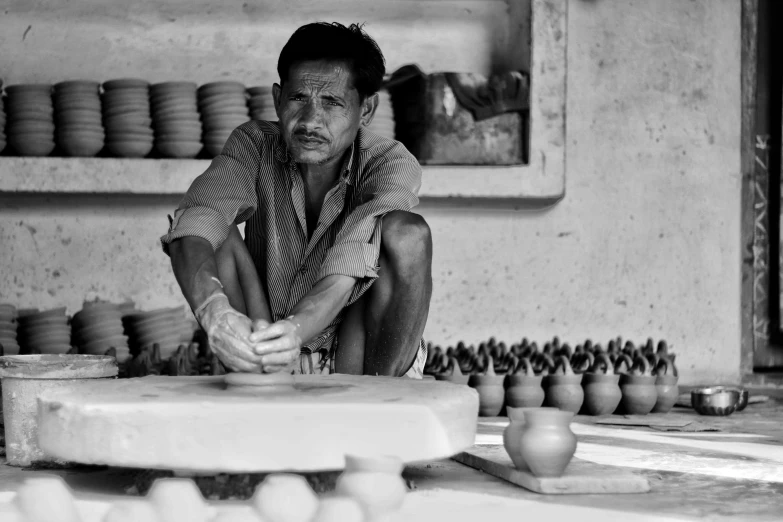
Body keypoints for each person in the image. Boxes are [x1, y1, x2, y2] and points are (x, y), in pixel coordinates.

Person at [160, 22, 432, 378]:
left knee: (406, 233)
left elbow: (349, 265)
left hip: (357, 353)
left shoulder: (388, 162)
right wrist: (214, 314)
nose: (310, 120)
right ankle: (256, 365)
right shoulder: (253, 145)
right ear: (277, 98)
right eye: (298, 98)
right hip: (268, 346)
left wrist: (297, 331)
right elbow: (196, 221)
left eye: (332, 102)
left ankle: (380, 395)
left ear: (365, 110)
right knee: (211, 229)